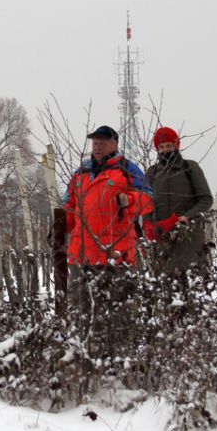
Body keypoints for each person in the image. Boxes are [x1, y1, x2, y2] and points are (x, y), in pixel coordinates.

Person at [62, 125, 153, 357]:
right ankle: (86, 354)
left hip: (117, 252)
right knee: (82, 308)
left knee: (119, 308)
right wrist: (60, 225)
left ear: (115, 143)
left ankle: (121, 354)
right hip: (82, 253)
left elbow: (149, 200)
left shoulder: (127, 169)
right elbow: (69, 205)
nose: (97, 145)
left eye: (103, 141)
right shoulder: (80, 173)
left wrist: (130, 200)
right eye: (95, 141)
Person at [146, 126, 214, 284]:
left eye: (169, 146)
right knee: (165, 286)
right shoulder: (152, 173)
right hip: (162, 239)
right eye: (161, 147)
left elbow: (206, 199)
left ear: (176, 146)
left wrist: (187, 217)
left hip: (189, 238)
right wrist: (148, 223)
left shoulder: (189, 167)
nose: (165, 150)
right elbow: (146, 203)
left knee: (192, 283)